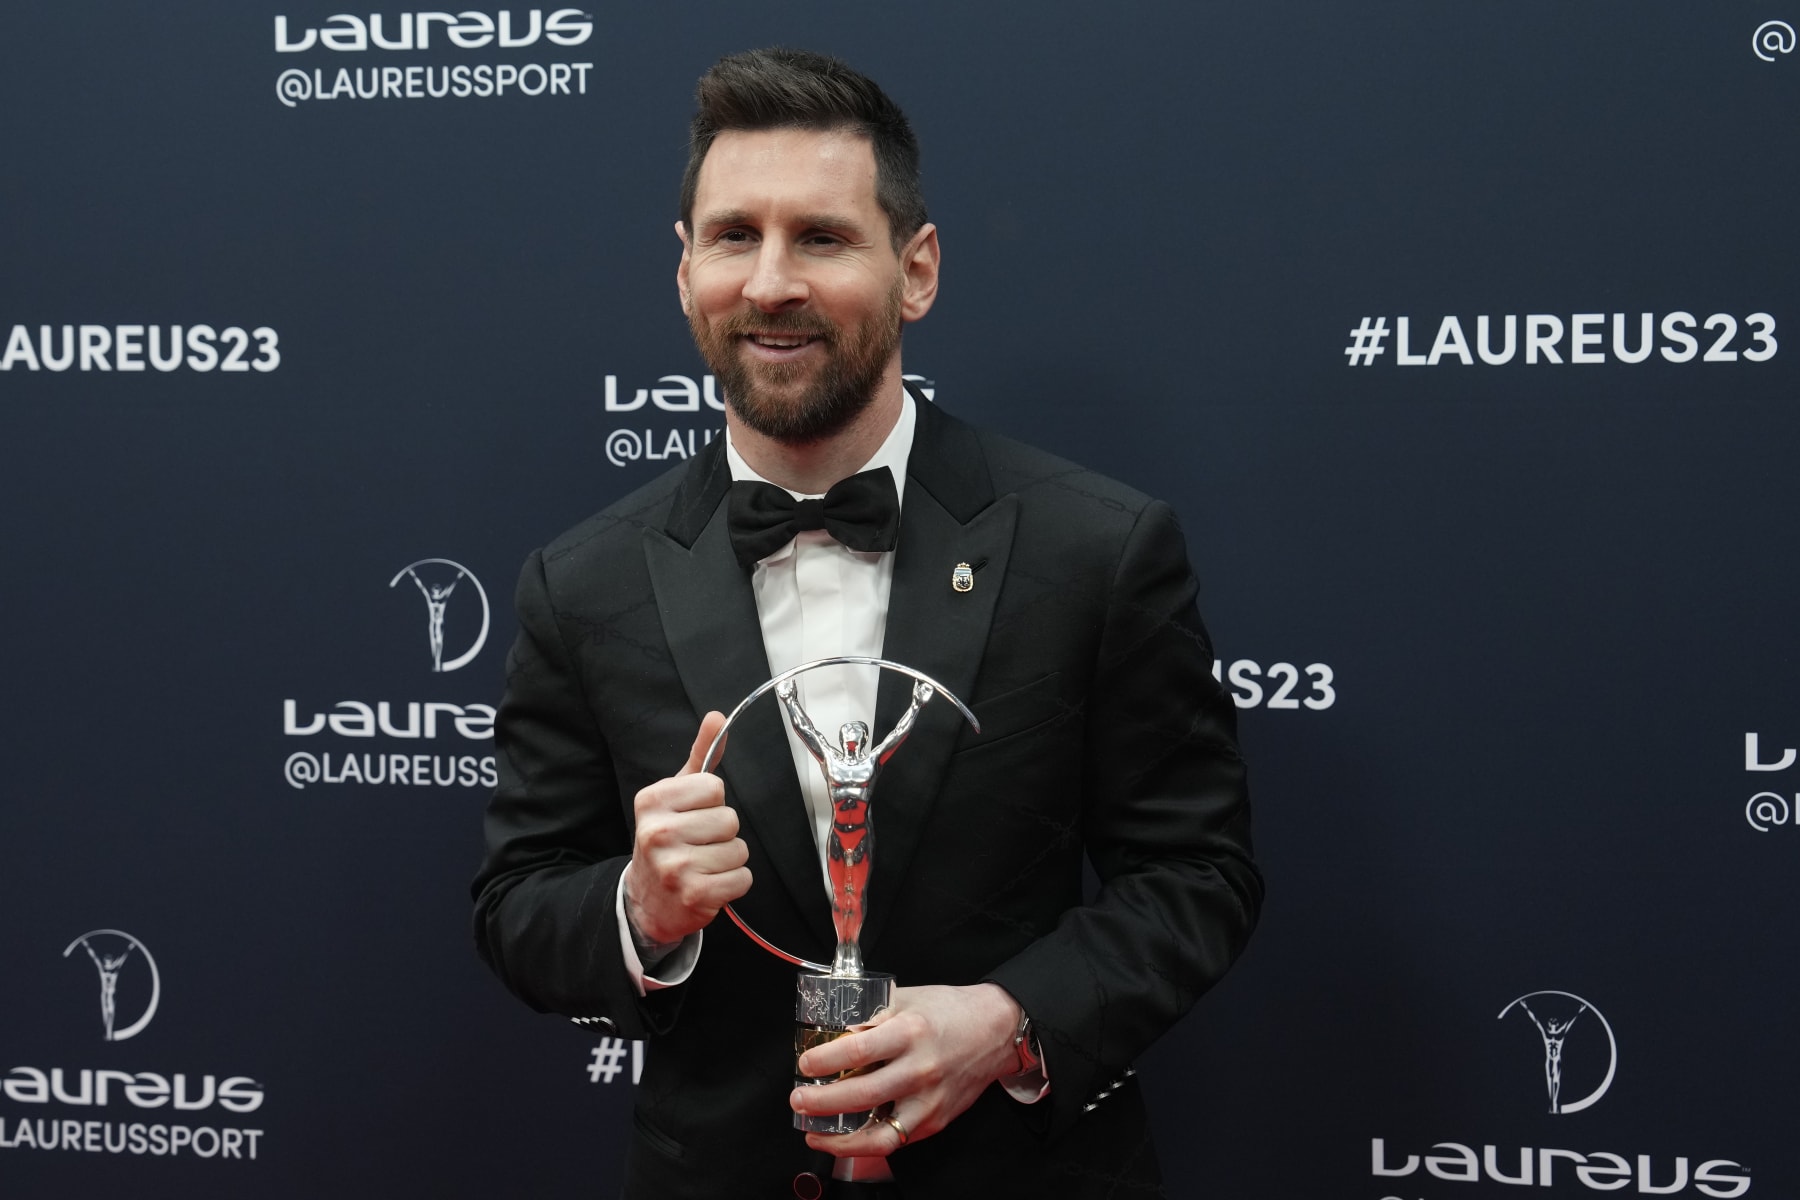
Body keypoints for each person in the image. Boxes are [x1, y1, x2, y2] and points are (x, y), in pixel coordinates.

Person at [472, 47, 1261, 1199]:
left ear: (917, 268)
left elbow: (1199, 874)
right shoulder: (578, 582)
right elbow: (517, 904)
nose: (772, 282)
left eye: (824, 238)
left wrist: (1009, 1021)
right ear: (686, 270)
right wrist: (639, 907)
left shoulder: (1096, 546)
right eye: (735, 236)